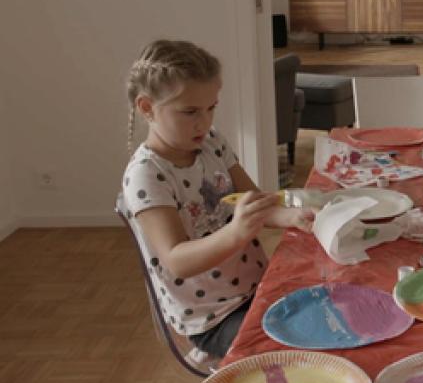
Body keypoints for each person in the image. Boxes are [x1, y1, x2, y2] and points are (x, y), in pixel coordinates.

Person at [121, 40, 314, 358]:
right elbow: (177, 261)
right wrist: (236, 232)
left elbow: (255, 203)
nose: (205, 122)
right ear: (147, 107)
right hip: (212, 319)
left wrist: (293, 217)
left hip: (256, 288)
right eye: (190, 112)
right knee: (299, 351)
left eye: (211, 108)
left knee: (328, 308)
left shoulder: (211, 142)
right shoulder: (147, 175)